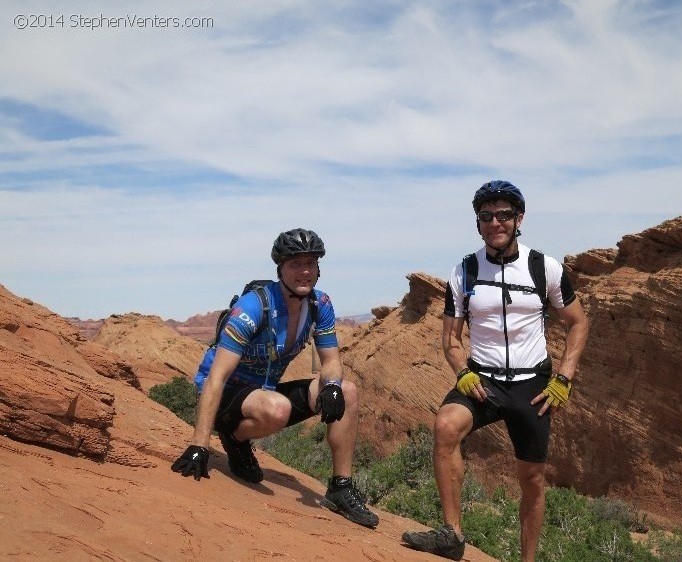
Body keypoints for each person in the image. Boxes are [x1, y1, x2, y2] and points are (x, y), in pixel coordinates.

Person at [402, 181, 589, 561]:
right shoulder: (465, 270)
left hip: (531, 385)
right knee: (445, 426)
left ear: (519, 219)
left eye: (504, 215)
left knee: (532, 478)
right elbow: (451, 338)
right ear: (478, 223)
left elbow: (578, 322)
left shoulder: (543, 267)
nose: (495, 223)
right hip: (482, 380)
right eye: (486, 216)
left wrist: (565, 377)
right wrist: (461, 372)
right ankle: (452, 536)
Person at [171, 228, 379, 529]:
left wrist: (331, 386)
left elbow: (332, 360)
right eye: (295, 263)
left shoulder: (319, 305)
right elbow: (216, 377)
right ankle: (235, 438)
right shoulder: (254, 307)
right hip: (226, 396)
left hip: (263, 391)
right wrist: (199, 444)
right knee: (277, 408)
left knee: (347, 390)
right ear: (280, 268)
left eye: (311, 262)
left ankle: (340, 488)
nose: (304, 271)